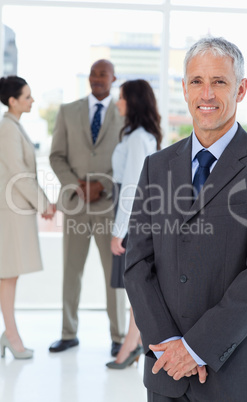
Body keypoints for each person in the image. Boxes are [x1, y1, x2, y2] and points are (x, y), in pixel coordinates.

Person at [124, 37, 247, 402]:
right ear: (184, 89)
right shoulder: (157, 167)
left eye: (219, 81)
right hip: (166, 372)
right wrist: (171, 346)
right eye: (197, 81)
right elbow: (137, 263)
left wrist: (197, 348)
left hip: (232, 375)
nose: (207, 93)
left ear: (241, 89)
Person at [49, 59, 126, 356]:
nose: (96, 78)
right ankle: (68, 333)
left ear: (113, 78)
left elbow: (129, 161)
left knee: (113, 275)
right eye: (93, 74)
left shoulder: (124, 113)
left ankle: (119, 337)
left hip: (109, 207)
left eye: (102, 74)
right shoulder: (68, 111)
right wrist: (78, 185)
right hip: (76, 205)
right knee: (71, 271)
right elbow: (56, 156)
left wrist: (102, 185)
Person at [106, 79, 162, 369]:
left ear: (134, 102)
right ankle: (134, 340)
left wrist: (119, 231)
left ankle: (132, 343)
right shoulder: (137, 135)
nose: (118, 103)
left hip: (132, 215)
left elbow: (131, 186)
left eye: (122, 98)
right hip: (131, 213)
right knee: (133, 282)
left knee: (133, 282)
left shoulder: (139, 137)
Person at [0, 76, 55, 359]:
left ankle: (9, 334)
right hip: (10, 215)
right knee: (7, 276)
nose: (32, 101)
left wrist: (44, 200)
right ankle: (11, 336)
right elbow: (20, 175)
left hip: (15, 212)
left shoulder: (14, 127)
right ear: (13, 100)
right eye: (28, 96)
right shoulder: (8, 129)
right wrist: (44, 203)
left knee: (10, 276)